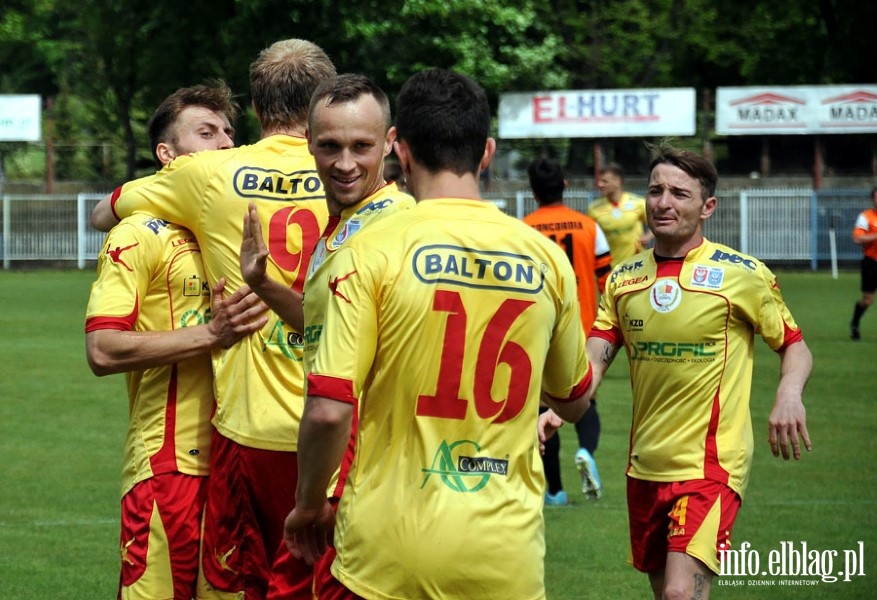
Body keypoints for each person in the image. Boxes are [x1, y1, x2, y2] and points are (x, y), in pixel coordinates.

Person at [284, 68, 593, 600]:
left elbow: (329, 408)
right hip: (506, 557)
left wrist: (309, 505)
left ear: (399, 151)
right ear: (488, 151)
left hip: (388, 554)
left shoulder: (369, 250)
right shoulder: (545, 259)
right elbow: (574, 400)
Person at [91, 39, 337, 600]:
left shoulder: (212, 174)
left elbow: (106, 211)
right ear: (325, 100)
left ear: (254, 106)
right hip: (340, 421)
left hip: (248, 429)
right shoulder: (357, 174)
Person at [587, 142, 813, 600]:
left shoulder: (741, 275)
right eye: (655, 191)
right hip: (645, 465)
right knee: (665, 592)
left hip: (711, 464)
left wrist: (789, 393)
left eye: (679, 193)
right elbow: (594, 359)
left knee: (679, 593)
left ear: (707, 206)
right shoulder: (622, 278)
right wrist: (562, 407)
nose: (663, 203)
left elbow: (795, 346)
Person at [84, 82, 268, 600]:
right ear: (168, 155)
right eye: (206, 133)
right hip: (170, 466)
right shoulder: (138, 233)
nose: (225, 144)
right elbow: (102, 350)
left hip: (240, 459)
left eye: (229, 133)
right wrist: (212, 332)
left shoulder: (234, 229)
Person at [239, 73, 415, 598]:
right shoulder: (348, 221)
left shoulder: (392, 228)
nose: (344, 163)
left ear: (390, 143)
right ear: (308, 143)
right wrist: (263, 284)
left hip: (361, 477)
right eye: (329, 146)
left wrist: (314, 499)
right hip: (343, 471)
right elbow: (328, 332)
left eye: (361, 147)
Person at [524, 156, 612, 503]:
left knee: (544, 406)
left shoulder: (523, 229)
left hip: (541, 328)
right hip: (582, 327)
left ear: (533, 192)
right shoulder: (588, 226)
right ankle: (587, 451)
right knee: (585, 398)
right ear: (564, 186)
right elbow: (607, 279)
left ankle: (555, 491)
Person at [588, 162, 653, 265]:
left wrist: (649, 236)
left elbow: (655, 221)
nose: (600, 185)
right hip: (609, 266)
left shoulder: (637, 202)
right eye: (599, 181)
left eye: (604, 181)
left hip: (636, 264)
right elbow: (589, 236)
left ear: (617, 181)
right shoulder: (594, 208)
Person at [850, 186, 877, 340]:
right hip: (871, 262)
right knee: (867, 300)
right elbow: (857, 238)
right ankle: (855, 323)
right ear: (873, 199)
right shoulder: (866, 217)